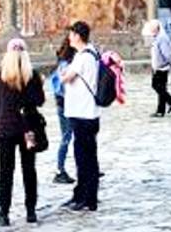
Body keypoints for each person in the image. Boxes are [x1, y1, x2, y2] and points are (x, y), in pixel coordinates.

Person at [0, 39, 45, 227]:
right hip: (27, 128)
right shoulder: (33, 76)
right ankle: (31, 212)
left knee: (6, 172)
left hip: (5, 129)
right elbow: (39, 101)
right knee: (29, 170)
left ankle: (3, 213)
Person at [59, 21, 102, 213]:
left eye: (71, 34)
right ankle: (82, 194)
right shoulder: (91, 53)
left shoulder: (83, 57)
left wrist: (63, 73)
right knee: (88, 157)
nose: (69, 38)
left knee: (84, 159)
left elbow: (65, 77)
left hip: (82, 113)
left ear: (77, 35)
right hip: (88, 113)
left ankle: (87, 198)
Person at [48, 35, 75, 185]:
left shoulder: (63, 61)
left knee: (74, 136)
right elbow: (63, 87)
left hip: (63, 103)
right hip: (65, 104)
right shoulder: (66, 64)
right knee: (66, 137)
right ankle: (60, 170)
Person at [145, 19, 171, 117]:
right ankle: (160, 110)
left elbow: (166, 53)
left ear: (156, 28)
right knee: (161, 88)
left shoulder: (162, 38)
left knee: (156, 86)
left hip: (161, 67)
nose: (150, 30)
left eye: (152, 28)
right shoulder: (157, 37)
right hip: (158, 67)